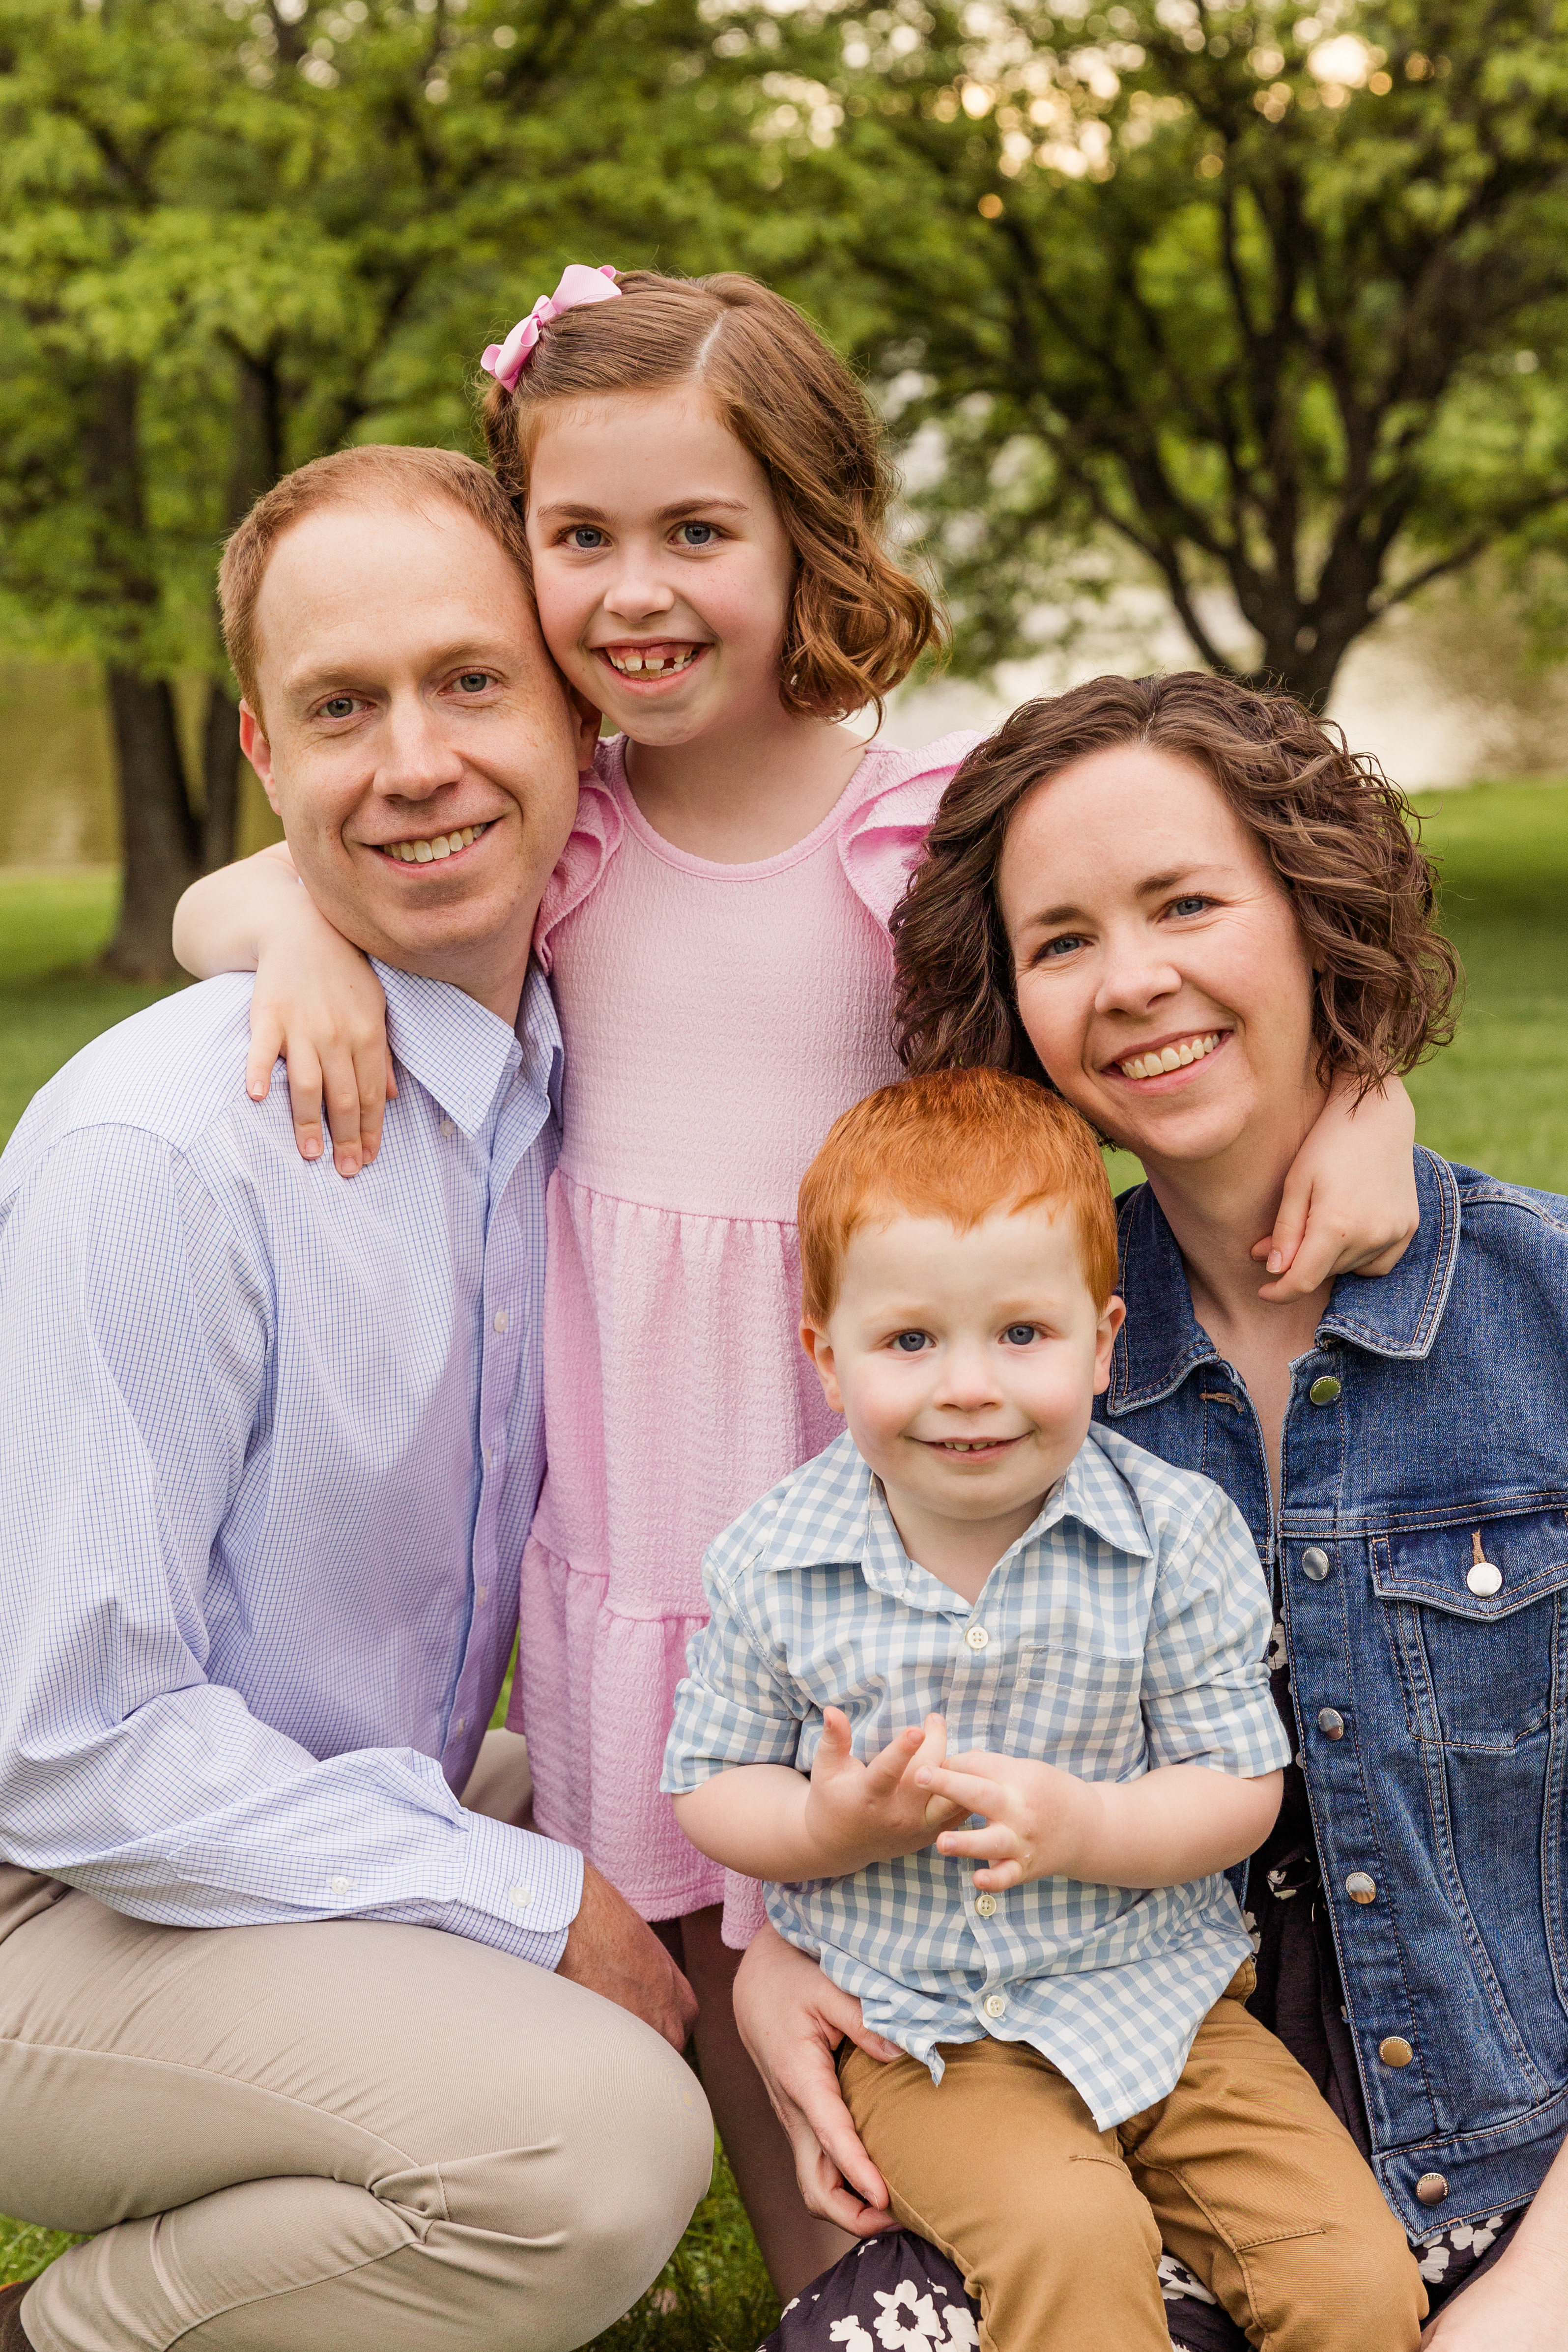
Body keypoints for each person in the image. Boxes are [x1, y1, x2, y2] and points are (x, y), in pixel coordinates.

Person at [171, 266, 1424, 2294]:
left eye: (698, 533)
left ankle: (1039, 2243)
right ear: (523, 554)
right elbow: (223, 893)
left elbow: (1160, 994)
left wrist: (1352, 1105)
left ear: (806, 537)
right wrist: (308, 938)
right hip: (645, 1522)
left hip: (907, 1498)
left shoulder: (916, 832)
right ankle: (833, 2293)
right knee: (719, 1979)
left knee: (930, 1956)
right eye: (579, 539)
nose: (636, 589)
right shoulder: (560, 832)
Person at [732, 672, 1568, 2351]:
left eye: (1188, 903)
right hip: (1146, 2130)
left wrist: (1531, 2304)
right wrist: (782, 1949)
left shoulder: (1544, 1315)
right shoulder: (1022, 1382)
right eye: (1063, 940)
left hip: (1522, 2179)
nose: (1135, 982)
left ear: (1312, 912)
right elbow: (855, 1694)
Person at [0, 444, 713, 2352]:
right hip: (46, 1886)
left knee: (717, 1844)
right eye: (342, 707)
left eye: (471, 681)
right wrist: (526, 1900)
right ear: (262, 749)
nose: (414, 760)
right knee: (600, 2147)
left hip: (289, 1792)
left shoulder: (560, 1061)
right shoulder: (165, 1156)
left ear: (576, 705)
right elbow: (67, 1746)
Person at [662, 1066, 1425, 2351]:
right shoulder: (775, 1559)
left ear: (1104, 1337)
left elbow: (1238, 1781)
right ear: (827, 1357)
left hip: (1168, 2006)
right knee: (1072, 2242)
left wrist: (1089, 1825)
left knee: (1352, 2279)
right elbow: (709, 1780)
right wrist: (825, 1828)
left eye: (1023, 1333)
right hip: (925, 2035)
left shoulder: (1170, 1534)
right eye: (911, 1341)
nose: (971, 1385)